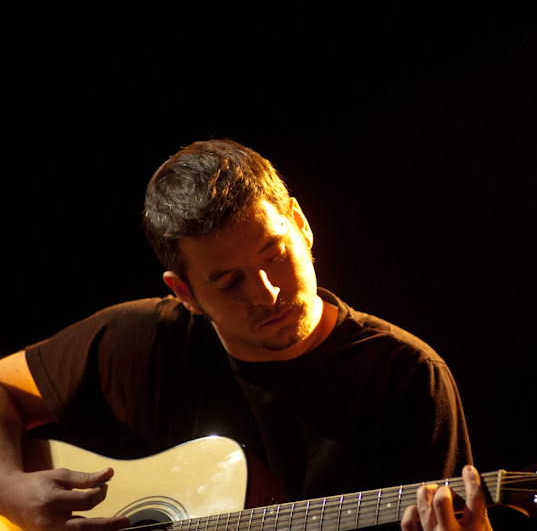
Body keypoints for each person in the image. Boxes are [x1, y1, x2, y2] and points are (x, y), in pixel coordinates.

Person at [0, 139, 479, 531]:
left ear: (301, 225)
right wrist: (10, 489)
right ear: (185, 293)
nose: (267, 293)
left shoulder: (407, 378)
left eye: (275, 255)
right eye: (229, 282)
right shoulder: (145, 343)